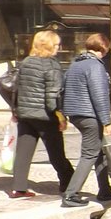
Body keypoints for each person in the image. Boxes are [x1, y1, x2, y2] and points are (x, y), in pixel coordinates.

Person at [7, 28, 75, 198]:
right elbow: (53, 96)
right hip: (45, 116)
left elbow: (18, 89)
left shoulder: (26, 62)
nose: (58, 48)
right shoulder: (52, 65)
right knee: (56, 153)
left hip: (25, 115)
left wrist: (16, 110)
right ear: (49, 46)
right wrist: (60, 117)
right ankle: (69, 183)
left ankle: (18, 188)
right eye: (56, 44)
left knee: (23, 152)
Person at [61, 33, 111, 207]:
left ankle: (105, 190)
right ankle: (71, 194)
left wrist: (64, 114)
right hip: (89, 115)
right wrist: (106, 121)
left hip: (76, 114)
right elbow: (99, 96)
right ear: (104, 48)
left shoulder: (75, 65)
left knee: (98, 151)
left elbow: (63, 90)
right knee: (89, 154)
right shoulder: (95, 67)